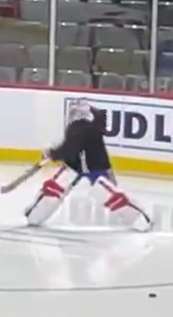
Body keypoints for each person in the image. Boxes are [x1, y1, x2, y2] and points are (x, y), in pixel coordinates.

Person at [24, 99, 152, 231]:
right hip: (79, 166)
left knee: (105, 194)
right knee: (58, 186)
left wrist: (52, 153)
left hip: (93, 169)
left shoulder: (79, 128)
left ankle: (140, 218)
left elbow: (69, 149)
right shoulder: (88, 126)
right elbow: (74, 146)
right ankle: (140, 218)